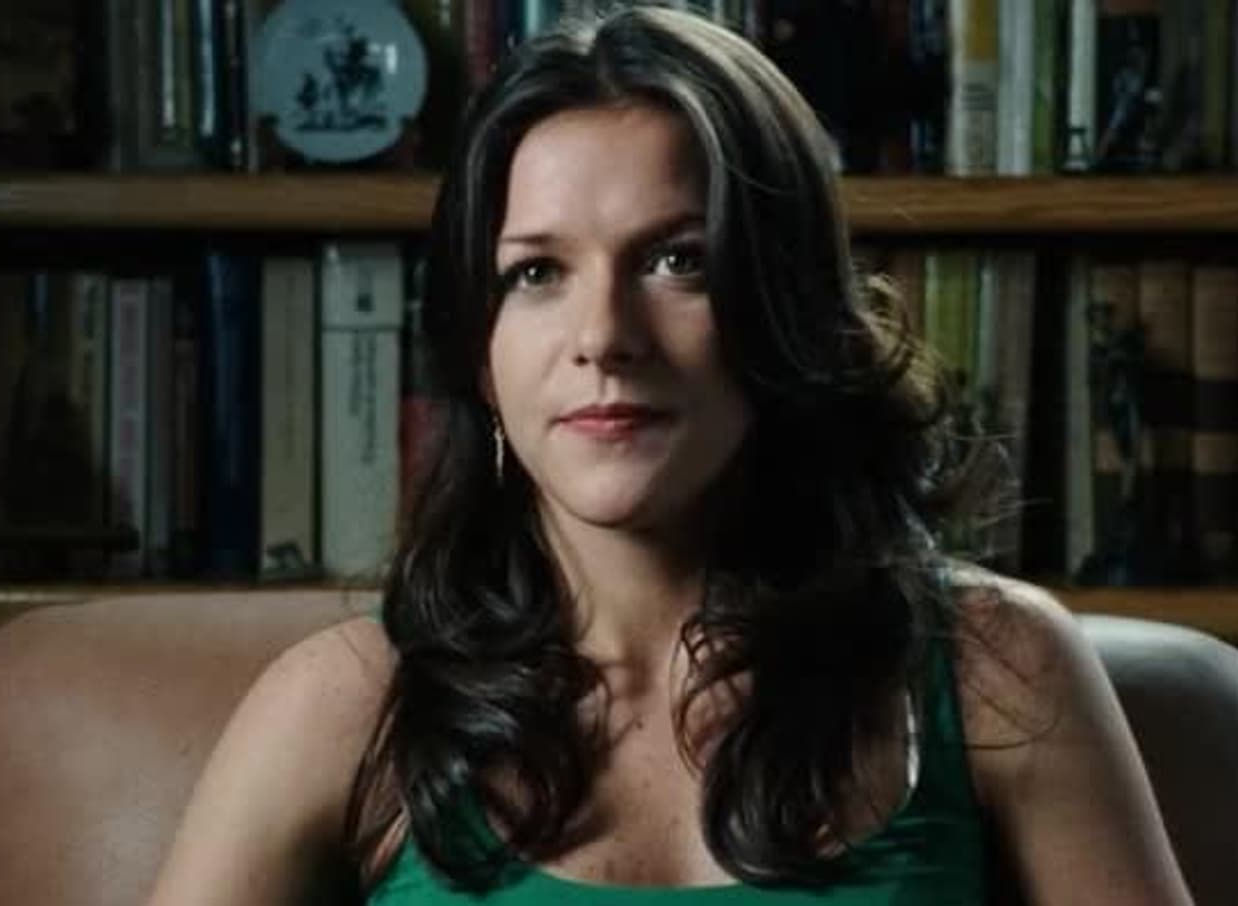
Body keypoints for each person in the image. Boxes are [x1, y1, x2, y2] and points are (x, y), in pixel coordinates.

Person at [149, 7, 1192, 905]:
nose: (604, 336)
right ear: (480, 354)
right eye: (536, 273)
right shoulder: (342, 706)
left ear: (783, 310)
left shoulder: (996, 667)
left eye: (677, 260)